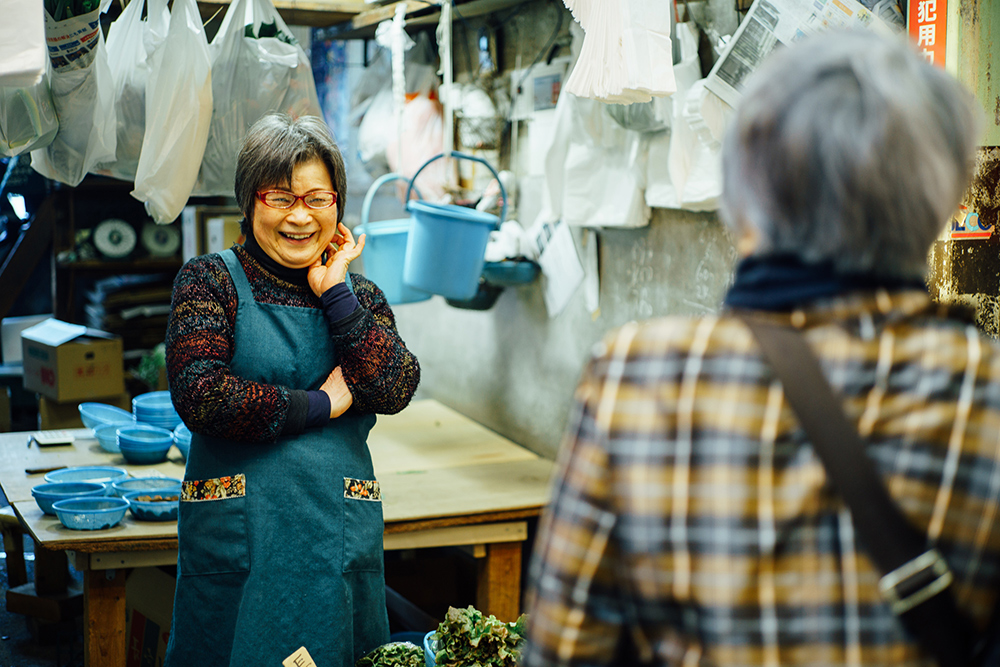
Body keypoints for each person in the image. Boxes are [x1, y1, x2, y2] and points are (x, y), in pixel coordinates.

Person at [520, 29, 999, 667]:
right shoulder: (984, 390)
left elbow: (565, 651)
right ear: (940, 199)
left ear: (743, 194)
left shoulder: (641, 376)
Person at [163, 112, 420, 667]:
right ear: (249, 202)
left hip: (336, 534)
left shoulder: (360, 299)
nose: (300, 217)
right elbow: (202, 395)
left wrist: (339, 298)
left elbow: (395, 386)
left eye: (317, 199)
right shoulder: (209, 281)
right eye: (280, 198)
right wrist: (321, 404)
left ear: (337, 206)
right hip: (242, 539)